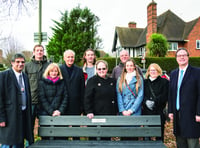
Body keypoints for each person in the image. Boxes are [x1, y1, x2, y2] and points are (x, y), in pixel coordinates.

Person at [168, 47, 200, 148]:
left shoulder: (197, 72)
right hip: (177, 115)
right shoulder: (173, 74)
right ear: (176, 58)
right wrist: (170, 111)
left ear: (188, 57)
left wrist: (199, 113)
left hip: (192, 115)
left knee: (192, 144)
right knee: (180, 143)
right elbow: (171, 94)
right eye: (179, 55)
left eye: (184, 55)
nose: (182, 57)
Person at [0, 53, 34, 148]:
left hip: (23, 114)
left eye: (22, 62)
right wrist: (1, 118)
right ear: (12, 63)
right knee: (8, 142)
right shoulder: (3, 76)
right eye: (17, 62)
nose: (20, 64)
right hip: (9, 115)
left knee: (20, 140)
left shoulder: (25, 77)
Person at [24, 44, 50, 130]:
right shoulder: (27, 66)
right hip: (32, 100)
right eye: (37, 50)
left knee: (45, 126)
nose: (39, 52)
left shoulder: (49, 65)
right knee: (29, 125)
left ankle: (45, 143)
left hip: (45, 101)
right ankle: (29, 143)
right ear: (34, 52)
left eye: (41, 50)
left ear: (43, 52)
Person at [142, 63, 169, 141]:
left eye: (154, 70)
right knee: (146, 136)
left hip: (159, 111)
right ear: (148, 71)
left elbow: (165, 95)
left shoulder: (164, 82)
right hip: (147, 112)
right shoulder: (145, 82)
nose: (152, 72)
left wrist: (154, 102)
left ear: (158, 71)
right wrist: (146, 101)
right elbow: (141, 95)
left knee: (159, 137)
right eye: (151, 70)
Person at [60, 49, 85, 115]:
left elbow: (82, 88)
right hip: (62, 104)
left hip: (76, 104)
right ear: (64, 58)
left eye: (72, 57)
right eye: (68, 57)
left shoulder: (79, 70)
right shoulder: (59, 70)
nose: (70, 59)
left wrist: (82, 105)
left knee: (75, 124)